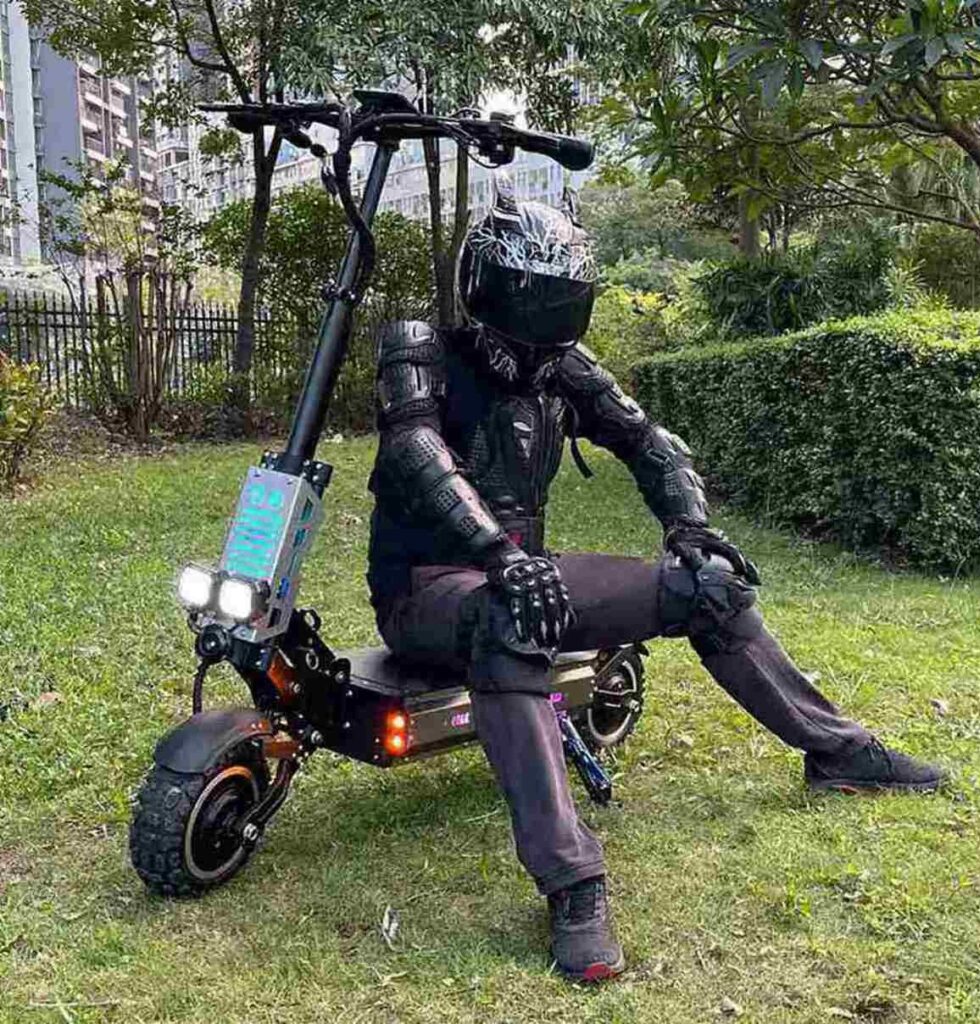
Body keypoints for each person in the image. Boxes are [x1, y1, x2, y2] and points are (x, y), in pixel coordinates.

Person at [364, 180, 944, 983]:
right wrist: (499, 553)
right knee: (512, 623)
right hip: (429, 586)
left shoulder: (564, 367)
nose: (543, 328)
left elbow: (652, 443)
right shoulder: (420, 346)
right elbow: (415, 453)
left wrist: (692, 529)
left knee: (712, 589)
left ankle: (839, 752)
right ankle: (573, 883)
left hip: (526, 575)